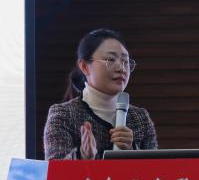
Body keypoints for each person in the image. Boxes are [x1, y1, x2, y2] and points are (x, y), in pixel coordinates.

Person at [43, 28, 158, 159]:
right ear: (85, 67)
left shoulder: (140, 118)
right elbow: (55, 168)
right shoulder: (64, 115)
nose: (121, 68)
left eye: (125, 61)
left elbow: (157, 169)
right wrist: (82, 156)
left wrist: (131, 150)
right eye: (110, 59)